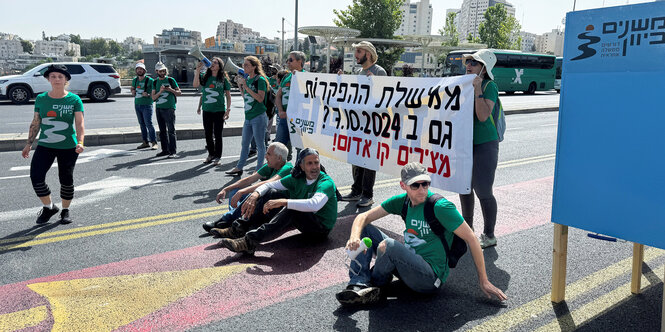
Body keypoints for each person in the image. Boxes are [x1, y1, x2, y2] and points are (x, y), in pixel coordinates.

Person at [335, 162, 508, 306]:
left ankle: (375, 285)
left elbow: (471, 237)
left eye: (425, 183)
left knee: (389, 246)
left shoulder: (440, 206)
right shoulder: (402, 202)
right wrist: (354, 237)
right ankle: (359, 283)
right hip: (410, 263)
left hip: (430, 279)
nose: (422, 189)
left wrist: (483, 280)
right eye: (415, 185)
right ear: (403, 186)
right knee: (365, 229)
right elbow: (363, 216)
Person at [218, 148, 338, 255]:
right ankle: (239, 228)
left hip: (320, 229)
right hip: (305, 220)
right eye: (309, 163)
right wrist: (255, 194)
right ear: (302, 166)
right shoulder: (297, 177)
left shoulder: (326, 182)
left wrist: (284, 202)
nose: (314, 167)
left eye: (316, 162)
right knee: (272, 193)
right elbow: (269, 185)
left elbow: (315, 205)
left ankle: (249, 242)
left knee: (291, 207)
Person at [21, 64, 85, 225]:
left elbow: (80, 123)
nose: (57, 79)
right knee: (36, 177)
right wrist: (28, 143)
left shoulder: (74, 99)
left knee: (66, 179)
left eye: (60, 77)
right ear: (48, 79)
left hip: (68, 146)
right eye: (53, 76)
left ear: (66, 80)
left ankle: (65, 210)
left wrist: (81, 141)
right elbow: (36, 122)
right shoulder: (41, 99)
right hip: (45, 144)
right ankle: (49, 207)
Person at [202, 142, 293, 234]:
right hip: (267, 203)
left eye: (269, 154)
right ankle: (234, 219)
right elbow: (249, 179)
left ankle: (228, 220)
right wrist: (226, 189)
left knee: (261, 192)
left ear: (279, 158)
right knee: (236, 190)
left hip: (278, 208)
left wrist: (243, 192)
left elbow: (269, 183)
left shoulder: (287, 168)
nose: (265, 156)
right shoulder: (272, 165)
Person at [459, 49, 500, 249]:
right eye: (468, 61)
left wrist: (477, 90)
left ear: (484, 69)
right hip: (465, 144)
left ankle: (489, 234)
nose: (469, 65)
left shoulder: (489, 86)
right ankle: (468, 229)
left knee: (483, 190)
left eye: (474, 63)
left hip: (485, 144)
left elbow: (483, 116)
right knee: (464, 187)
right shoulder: (462, 84)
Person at [339, 41, 387, 208]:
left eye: (358, 51)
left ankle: (368, 194)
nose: (356, 55)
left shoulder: (379, 72)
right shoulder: (358, 72)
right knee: (356, 158)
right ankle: (356, 190)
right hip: (357, 123)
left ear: (368, 54)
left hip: (372, 124)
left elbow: (384, 98)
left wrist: (375, 84)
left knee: (369, 160)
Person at [225, 56, 269, 176]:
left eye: (246, 65)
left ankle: (259, 170)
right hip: (248, 117)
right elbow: (246, 98)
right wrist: (241, 85)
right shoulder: (248, 79)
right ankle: (239, 167)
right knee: (244, 144)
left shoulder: (260, 80)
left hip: (259, 116)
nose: (243, 67)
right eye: (243, 65)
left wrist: (245, 85)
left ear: (254, 67)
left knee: (260, 145)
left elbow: (260, 98)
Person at [193, 57, 232, 165]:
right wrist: (197, 71)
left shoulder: (223, 78)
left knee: (218, 134)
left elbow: (228, 96)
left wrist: (228, 109)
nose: (212, 64)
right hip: (207, 110)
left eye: (215, 63)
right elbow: (195, 85)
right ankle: (211, 154)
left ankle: (218, 156)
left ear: (219, 66)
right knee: (208, 134)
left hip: (219, 110)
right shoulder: (205, 77)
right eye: (212, 62)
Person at [275, 51, 306, 161]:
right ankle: (277, 172)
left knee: (300, 149)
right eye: (287, 60)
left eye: (291, 60)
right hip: (284, 118)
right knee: (278, 146)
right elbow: (278, 96)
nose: (288, 62)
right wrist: (280, 110)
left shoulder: (307, 77)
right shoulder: (286, 77)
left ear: (300, 61)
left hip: (299, 120)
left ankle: (298, 172)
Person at [152, 62, 182, 159]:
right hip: (159, 108)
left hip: (169, 108)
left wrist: (171, 90)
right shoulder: (155, 82)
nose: (162, 72)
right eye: (160, 71)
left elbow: (179, 93)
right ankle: (165, 150)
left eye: (164, 70)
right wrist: (160, 91)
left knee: (171, 130)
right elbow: (153, 98)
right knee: (162, 131)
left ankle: (172, 151)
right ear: (157, 71)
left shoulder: (171, 80)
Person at [131, 62, 158, 150]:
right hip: (137, 104)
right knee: (141, 124)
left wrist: (149, 94)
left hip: (147, 105)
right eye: (138, 69)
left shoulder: (150, 80)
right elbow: (132, 88)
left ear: (144, 70)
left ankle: (154, 142)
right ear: (136, 70)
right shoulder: (135, 80)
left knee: (148, 124)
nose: (140, 70)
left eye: (141, 69)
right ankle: (145, 142)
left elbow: (156, 92)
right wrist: (132, 91)